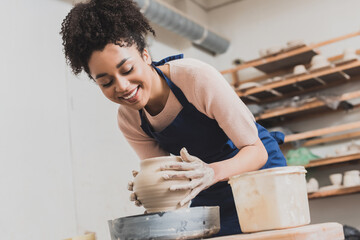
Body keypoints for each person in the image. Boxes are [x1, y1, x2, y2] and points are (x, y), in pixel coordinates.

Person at [60, 0, 287, 237]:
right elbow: (167, 181)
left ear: (145, 55)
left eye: (127, 70)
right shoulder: (129, 120)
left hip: (258, 175)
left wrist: (209, 172)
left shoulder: (195, 78)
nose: (123, 87)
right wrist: (150, 188)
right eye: (106, 82)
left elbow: (256, 151)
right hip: (206, 189)